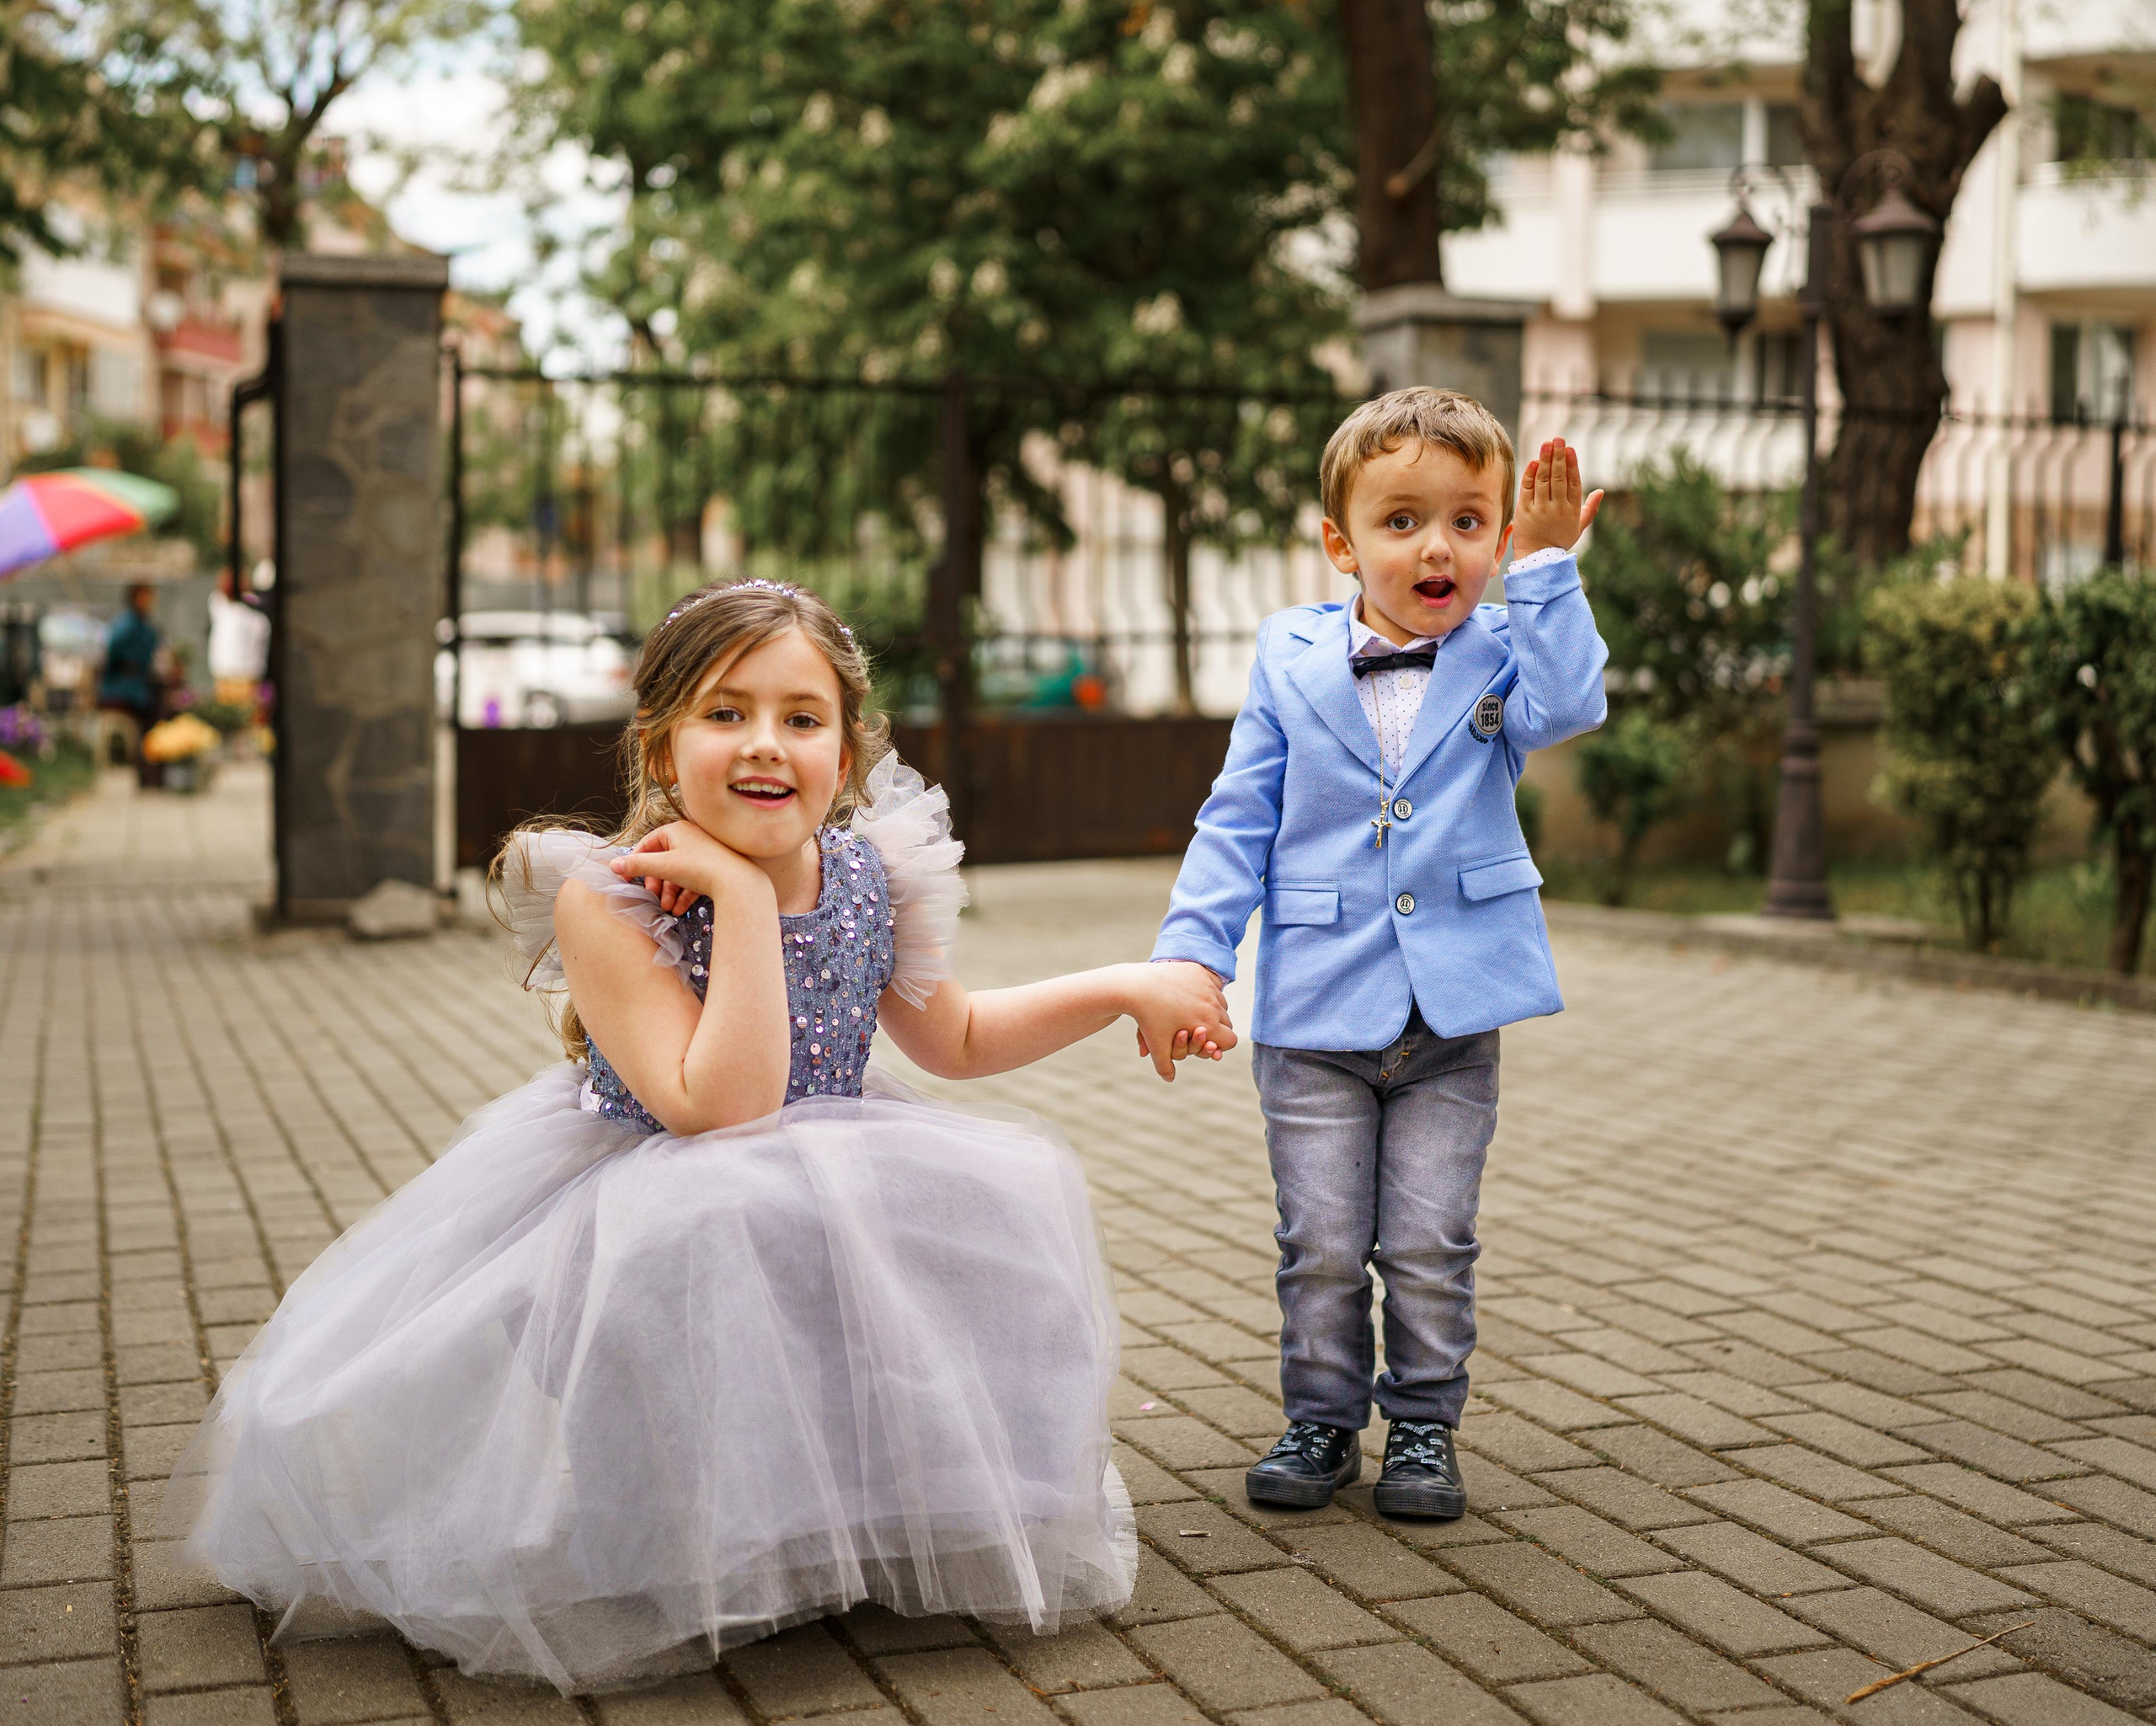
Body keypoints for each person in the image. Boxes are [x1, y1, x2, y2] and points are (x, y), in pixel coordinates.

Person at [166, 578, 1234, 1694]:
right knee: (719, 1224)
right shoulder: (610, 897)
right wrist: (741, 897)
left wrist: (1122, 980)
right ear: (663, 747)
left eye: (800, 718)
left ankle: (856, 1521)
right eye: (726, 713)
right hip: (664, 1175)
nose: (764, 744)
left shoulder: (874, 873)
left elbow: (954, 1035)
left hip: (824, 1148)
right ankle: (683, 1547)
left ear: (847, 752)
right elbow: (722, 1111)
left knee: (1007, 1198)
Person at [1149, 388, 1609, 1520]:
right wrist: (1188, 959)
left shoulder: (1508, 646)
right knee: (1317, 1240)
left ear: (1497, 538)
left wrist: (1547, 570)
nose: (1435, 545)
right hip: (1313, 1013)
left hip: (1452, 1020)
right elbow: (1237, 817)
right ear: (1341, 543)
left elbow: (1574, 705)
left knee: (1428, 1237)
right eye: (1401, 521)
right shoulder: (1287, 655)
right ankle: (1318, 1416)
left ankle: (1421, 1427)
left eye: (1467, 520)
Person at [98, 582, 163, 786]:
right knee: (157, 711)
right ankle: (149, 771)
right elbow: (111, 656)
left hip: (138, 683)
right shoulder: (126, 625)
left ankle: (153, 772)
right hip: (124, 687)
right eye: (146, 596)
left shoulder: (143, 624)